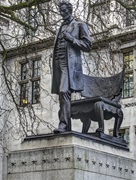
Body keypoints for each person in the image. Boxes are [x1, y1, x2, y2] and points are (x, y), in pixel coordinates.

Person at [51, 1, 92, 133]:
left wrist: (72, 39)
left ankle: (63, 124)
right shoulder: (60, 28)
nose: (62, 13)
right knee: (62, 93)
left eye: (64, 11)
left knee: (63, 91)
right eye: (61, 11)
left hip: (70, 65)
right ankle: (66, 125)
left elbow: (88, 45)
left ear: (70, 10)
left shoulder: (79, 25)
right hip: (59, 63)